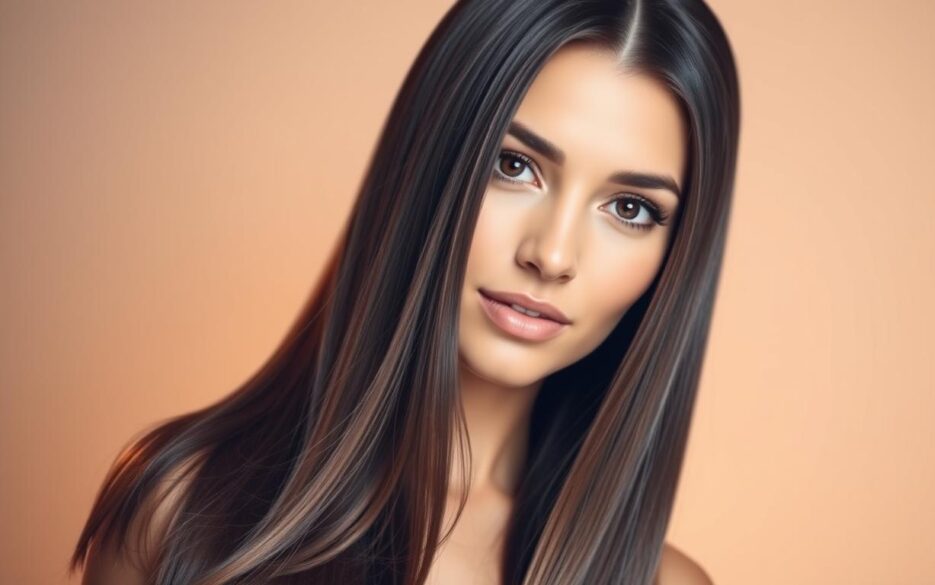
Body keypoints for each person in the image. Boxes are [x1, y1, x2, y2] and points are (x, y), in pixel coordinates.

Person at [71, 0, 739, 583]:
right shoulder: (180, 510)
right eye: (513, 165)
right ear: (430, 163)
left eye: (630, 209)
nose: (553, 255)